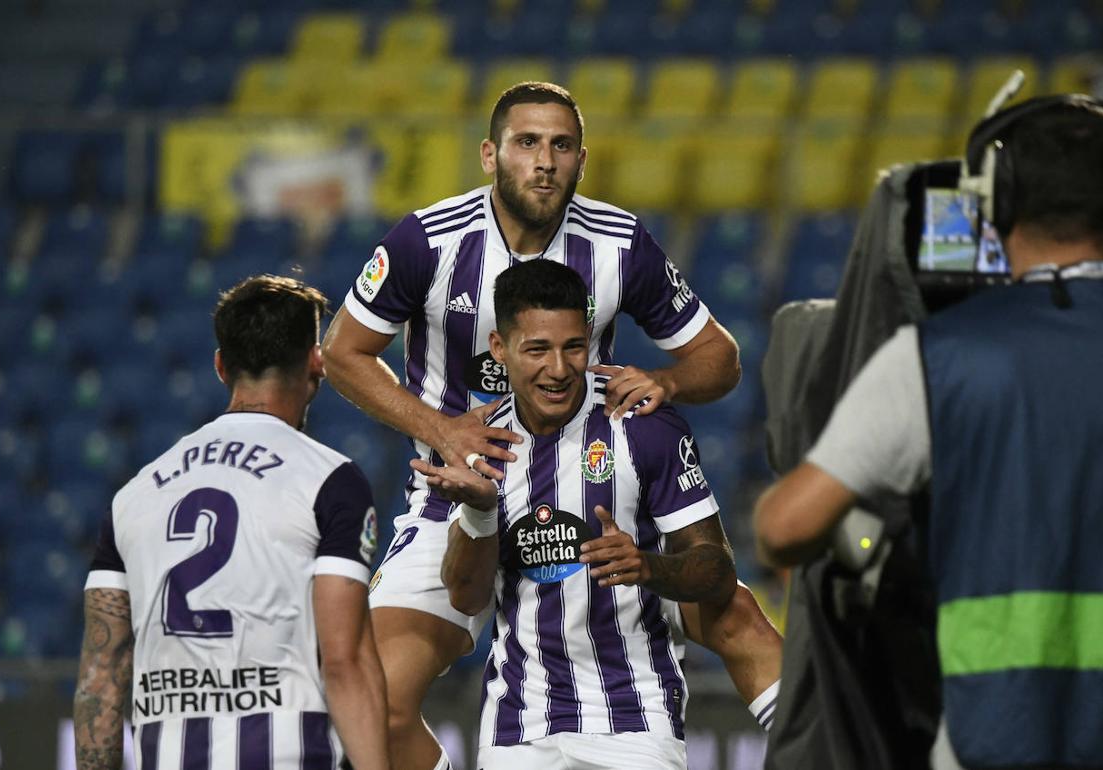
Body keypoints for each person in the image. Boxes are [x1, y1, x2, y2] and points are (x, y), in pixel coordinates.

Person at [321, 81, 782, 769]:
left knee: (733, 610)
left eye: (561, 145)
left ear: (581, 159)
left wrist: (667, 380)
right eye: (527, 143)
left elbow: (718, 356)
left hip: (599, 480)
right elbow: (341, 353)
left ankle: (827, 746)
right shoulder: (427, 240)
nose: (544, 161)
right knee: (372, 700)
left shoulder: (620, 242)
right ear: (490, 154)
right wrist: (443, 431)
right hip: (464, 496)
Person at [754, 96, 1103, 769]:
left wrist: (871, 545)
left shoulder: (938, 356)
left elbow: (784, 527)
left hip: (994, 742)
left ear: (998, 200)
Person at [415, 258, 736, 768]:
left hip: (636, 721)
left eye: (573, 347)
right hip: (518, 727)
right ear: (500, 349)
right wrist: (478, 513)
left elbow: (717, 572)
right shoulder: (478, 443)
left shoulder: (644, 425)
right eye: (537, 349)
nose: (559, 369)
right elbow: (467, 595)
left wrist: (649, 567)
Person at [73, 275, 389, 770]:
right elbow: (345, 662)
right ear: (315, 363)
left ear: (221, 367)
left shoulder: (134, 495)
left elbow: (103, 670)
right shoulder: (331, 481)